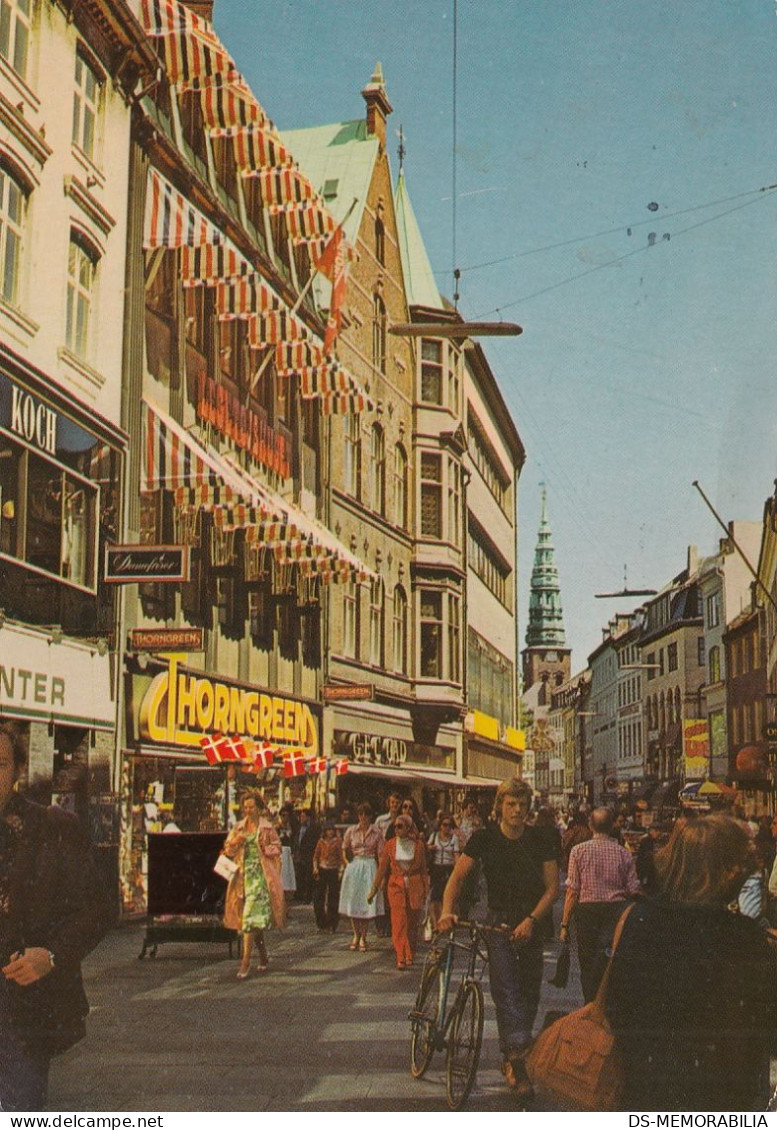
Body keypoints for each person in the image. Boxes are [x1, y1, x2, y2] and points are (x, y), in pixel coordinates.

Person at [606, 815, 777, 1111]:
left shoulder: (638, 919)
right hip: (722, 1095)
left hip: (646, 1089)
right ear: (726, 871)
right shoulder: (742, 936)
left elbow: (616, 1004)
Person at [0, 722, 111, 1111]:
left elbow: (97, 908)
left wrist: (50, 956)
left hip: (18, 1012)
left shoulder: (51, 827)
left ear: (16, 771)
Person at [439, 777, 559, 1098]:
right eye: (511, 804)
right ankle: (519, 1064)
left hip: (532, 921)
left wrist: (533, 919)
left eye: (522, 804)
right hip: (498, 923)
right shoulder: (484, 838)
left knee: (530, 990)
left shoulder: (540, 839)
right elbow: (457, 878)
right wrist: (446, 911)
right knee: (506, 988)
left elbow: (552, 888)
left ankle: (513, 1055)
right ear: (500, 806)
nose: (517, 810)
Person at [559, 807, 641, 1003]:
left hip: (587, 913)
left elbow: (572, 891)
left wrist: (564, 925)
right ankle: (609, 1006)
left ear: (590, 826)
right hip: (615, 913)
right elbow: (633, 889)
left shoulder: (578, 851)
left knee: (588, 965)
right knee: (611, 962)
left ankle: (590, 1006)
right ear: (612, 826)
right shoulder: (623, 854)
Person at [222, 790, 285, 979]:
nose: (248, 810)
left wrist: (265, 848)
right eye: (246, 807)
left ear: (258, 808)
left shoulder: (266, 827)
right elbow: (227, 849)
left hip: (261, 876)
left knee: (249, 917)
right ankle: (263, 955)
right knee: (252, 918)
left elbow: (278, 847)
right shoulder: (239, 827)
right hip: (242, 877)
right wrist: (236, 841)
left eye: (251, 807)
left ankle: (245, 962)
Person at [368, 815, 429, 969]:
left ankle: (410, 953)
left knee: (412, 923)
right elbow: (382, 868)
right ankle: (400, 955)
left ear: (408, 828)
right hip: (396, 886)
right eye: (395, 826)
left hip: (414, 886)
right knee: (398, 921)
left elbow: (423, 870)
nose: (396, 829)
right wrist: (374, 889)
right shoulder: (390, 845)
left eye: (400, 826)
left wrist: (426, 890)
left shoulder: (419, 846)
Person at [338, 803, 384, 951]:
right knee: (353, 900)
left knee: (366, 901)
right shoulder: (351, 831)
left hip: (370, 865)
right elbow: (344, 849)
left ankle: (364, 937)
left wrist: (381, 875)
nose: (363, 817)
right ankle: (355, 934)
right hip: (355, 865)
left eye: (366, 814)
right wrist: (347, 863)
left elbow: (381, 855)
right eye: (361, 814)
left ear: (371, 816)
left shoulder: (377, 832)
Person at [426, 814, 460, 932]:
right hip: (436, 868)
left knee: (446, 895)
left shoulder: (454, 838)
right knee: (434, 897)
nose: (447, 828)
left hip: (448, 868)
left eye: (449, 825)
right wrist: (430, 848)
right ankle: (435, 923)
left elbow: (456, 855)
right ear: (440, 826)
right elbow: (426, 846)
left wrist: (457, 871)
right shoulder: (434, 836)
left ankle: (445, 923)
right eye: (444, 825)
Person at [312, 822, 343, 933]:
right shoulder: (321, 842)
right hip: (322, 869)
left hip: (333, 870)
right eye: (328, 830)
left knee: (333, 898)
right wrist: (315, 868)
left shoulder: (338, 842)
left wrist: (340, 870)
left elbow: (341, 857)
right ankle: (321, 924)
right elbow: (315, 857)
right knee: (319, 897)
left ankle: (332, 924)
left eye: (331, 830)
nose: (330, 832)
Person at [293, 807, 319, 903]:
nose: (301, 818)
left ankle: (308, 897)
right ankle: (300, 895)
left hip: (309, 855)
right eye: (301, 816)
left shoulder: (314, 827)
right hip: (300, 855)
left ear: (308, 817)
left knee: (309, 877)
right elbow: (296, 840)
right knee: (300, 876)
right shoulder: (299, 827)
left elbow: (315, 841)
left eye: (303, 816)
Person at [276, 806, 297, 902]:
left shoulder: (291, 827)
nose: (285, 818)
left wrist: (293, 852)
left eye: (287, 816)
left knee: (288, 879)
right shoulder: (277, 827)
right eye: (283, 815)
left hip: (288, 852)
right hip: (280, 852)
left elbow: (293, 841)